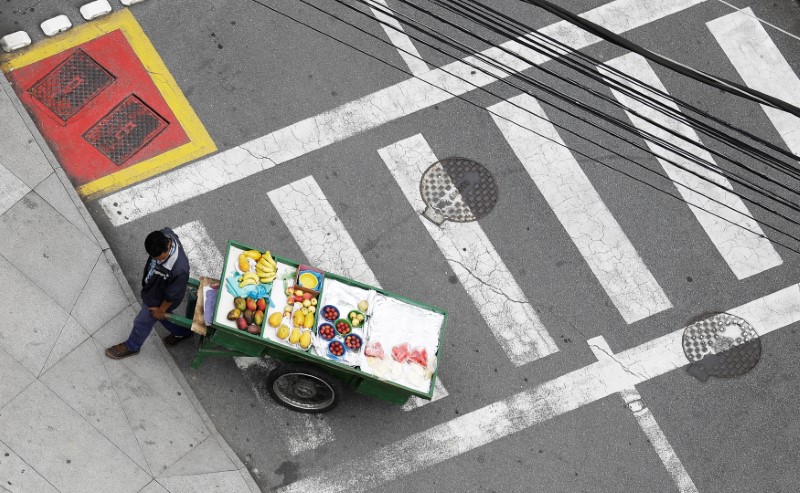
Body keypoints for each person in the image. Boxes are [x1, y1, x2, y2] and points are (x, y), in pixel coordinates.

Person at [106, 228, 193, 359]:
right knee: (159, 317)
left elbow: (173, 295)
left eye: (159, 258)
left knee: (143, 321)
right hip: (154, 288)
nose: (155, 259)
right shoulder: (165, 235)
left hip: (159, 299)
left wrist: (161, 309)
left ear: (168, 246)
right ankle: (183, 332)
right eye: (152, 257)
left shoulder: (179, 270)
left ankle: (132, 346)